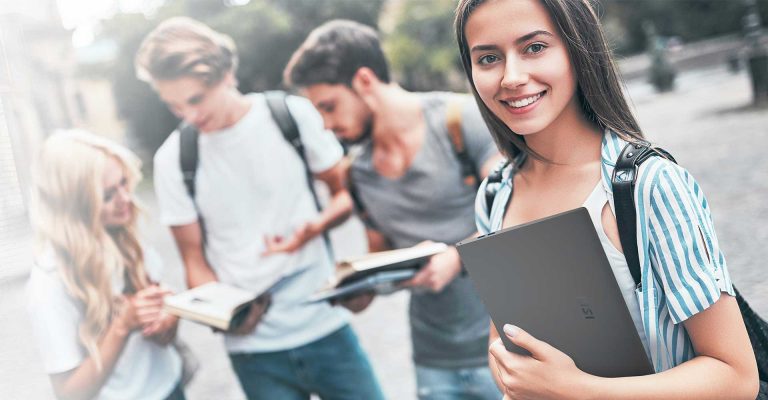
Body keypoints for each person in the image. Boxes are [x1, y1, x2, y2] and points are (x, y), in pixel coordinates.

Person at [455, 0, 760, 398]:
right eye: (489, 57)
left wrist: (579, 389)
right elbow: (504, 349)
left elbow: (735, 376)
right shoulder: (495, 194)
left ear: (577, 47)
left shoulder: (649, 185)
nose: (511, 77)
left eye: (534, 47)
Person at [134, 17, 383, 400]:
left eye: (196, 99)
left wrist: (312, 229)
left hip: (324, 327)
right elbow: (194, 262)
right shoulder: (174, 159)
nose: (190, 115)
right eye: (174, 105)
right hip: (254, 353)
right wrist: (227, 316)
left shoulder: (292, 117)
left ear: (228, 74)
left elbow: (346, 196)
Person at [284, 19, 504, 400]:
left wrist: (456, 258)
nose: (325, 124)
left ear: (365, 81)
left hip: (508, 344)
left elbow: (519, 216)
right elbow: (383, 258)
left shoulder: (462, 120)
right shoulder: (356, 173)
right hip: (435, 359)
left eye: (329, 106)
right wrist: (357, 289)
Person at [26, 130, 185, 400]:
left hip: (170, 385)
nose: (126, 199)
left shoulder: (122, 234)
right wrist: (122, 326)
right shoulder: (49, 283)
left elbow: (161, 335)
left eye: (124, 183)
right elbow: (70, 394)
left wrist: (166, 317)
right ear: (74, 203)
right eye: (108, 194)